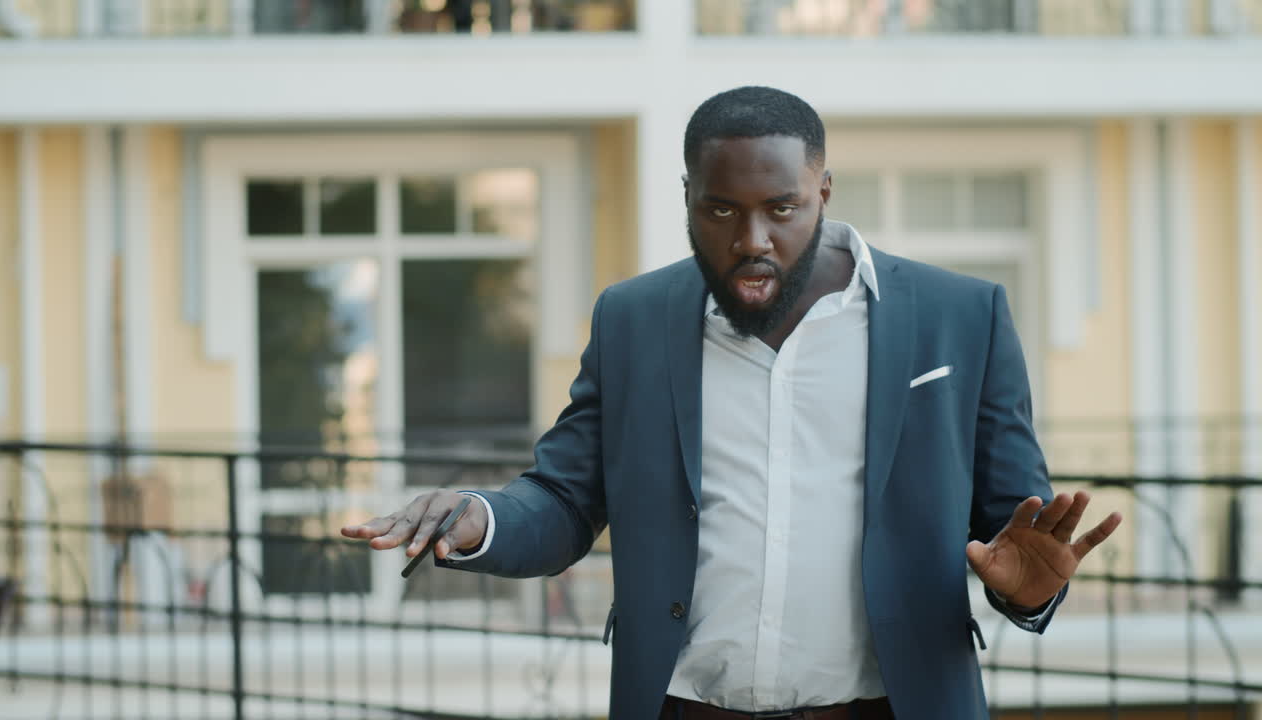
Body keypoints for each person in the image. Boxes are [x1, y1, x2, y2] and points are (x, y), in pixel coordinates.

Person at [341, 86, 1123, 720]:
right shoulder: (633, 320)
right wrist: (482, 518)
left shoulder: (962, 316)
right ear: (688, 197)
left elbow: (1011, 530)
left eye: (782, 208)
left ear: (823, 191)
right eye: (721, 210)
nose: (752, 239)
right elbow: (567, 499)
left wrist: (1025, 592)